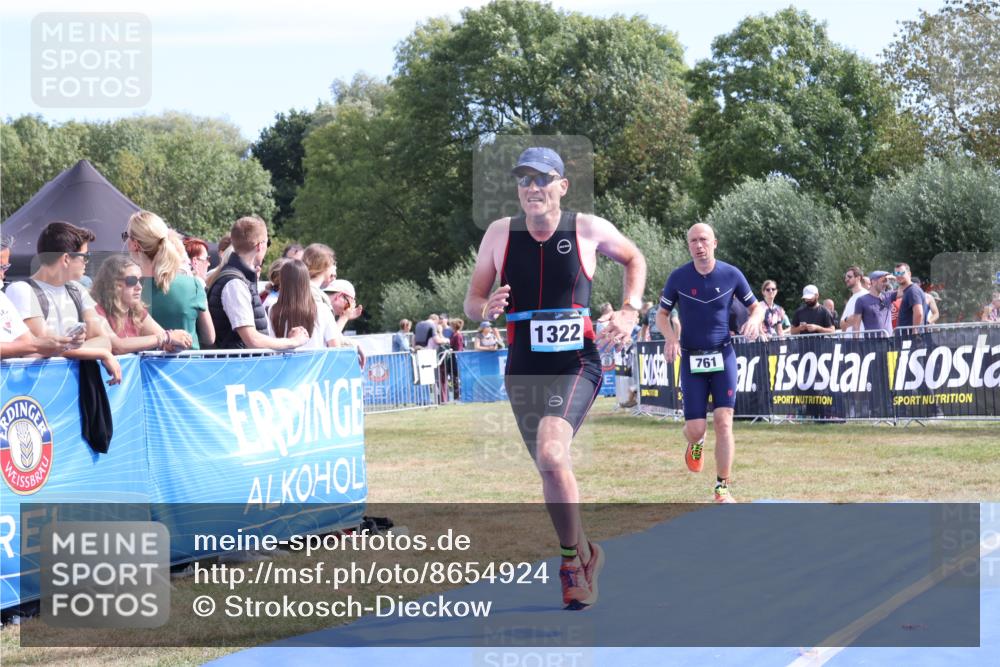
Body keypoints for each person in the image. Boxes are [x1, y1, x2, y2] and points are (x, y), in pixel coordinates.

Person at [465, 146, 646, 610]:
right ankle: (587, 553)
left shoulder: (586, 228)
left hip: (575, 364)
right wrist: (483, 311)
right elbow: (472, 300)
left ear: (562, 186)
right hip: (523, 365)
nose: (532, 188)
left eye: (541, 179)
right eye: (524, 180)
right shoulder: (499, 234)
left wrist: (629, 311)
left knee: (550, 451)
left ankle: (569, 564)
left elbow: (635, 259)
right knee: (552, 468)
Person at [656, 223, 764, 504]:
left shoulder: (731, 274)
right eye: (693, 241)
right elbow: (661, 315)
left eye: (703, 239)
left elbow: (756, 306)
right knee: (696, 429)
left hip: (723, 353)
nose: (698, 245)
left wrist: (754, 319)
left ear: (714, 242)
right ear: (688, 245)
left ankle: (722, 487)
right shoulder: (679, 277)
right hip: (691, 358)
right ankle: (696, 443)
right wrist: (670, 338)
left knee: (724, 420)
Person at [5, 222, 121, 382]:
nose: (86, 262)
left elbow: (104, 340)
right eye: (85, 256)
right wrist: (99, 352)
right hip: (37, 392)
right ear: (66, 258)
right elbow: (43, 346)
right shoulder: (21, 290)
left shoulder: (77, 290)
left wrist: (95, 349)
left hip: (75, 392)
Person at [206, 216, 308, 350]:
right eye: (268, 243)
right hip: (238, 368)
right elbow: (252, 339)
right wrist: (293, 342)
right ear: (260, 246)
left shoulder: (239, 279)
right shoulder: (235, 283)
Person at [125, 211, 215, 350]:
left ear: (135, 245)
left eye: (126, 236)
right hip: (188, 368)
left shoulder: (124, 289)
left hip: (142, 369)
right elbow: (209, 337)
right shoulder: (194, 285)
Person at [91, 255, 193, 354]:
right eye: (132, 281)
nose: (139, 287)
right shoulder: (96, 311)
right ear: (113, 284)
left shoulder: (136, 311)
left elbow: (166, 341)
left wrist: (179, 340)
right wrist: (166, 337)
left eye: (141, 280)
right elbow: (117, 346)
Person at [0, 235, 74, 358]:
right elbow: (31, 345)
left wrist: (64, 344)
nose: (2, 275)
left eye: (5, 267)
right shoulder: (19, 289)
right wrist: (37, 345)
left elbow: (27, 342)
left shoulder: (2, 299)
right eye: (0, 267)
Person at [268, 260, 339, 349]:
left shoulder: (274, 310)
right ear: (306, 281)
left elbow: (273, 344)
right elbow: (336, 347)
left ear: (282, 281)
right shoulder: (322, 309)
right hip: (317, 362)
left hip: (284, 363)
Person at [844, 270, 893, 335]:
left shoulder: (888, 296)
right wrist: (855, 343)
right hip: (872, 343)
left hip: (889, 342)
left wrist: (897, 278)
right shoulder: (861, 300)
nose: (886, 284)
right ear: (874, 282)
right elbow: (856, 326)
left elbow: (905, 290)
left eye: (887, 281)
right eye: (883, 281)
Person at [303, 243, 337, 310]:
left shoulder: (305, 287)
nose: (334, 267)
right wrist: (344, 317)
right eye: (333, 263)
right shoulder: (312, 292)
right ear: (325, 264)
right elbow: (320, 320)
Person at [893, 263, 926, 329]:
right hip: (906, 335)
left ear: (909, 274)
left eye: (901, 273)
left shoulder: (913, 290)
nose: (898, 276)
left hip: (910, 337)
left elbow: (919, 313)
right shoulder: (909, 290)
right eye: (896, 274)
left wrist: (915, 331)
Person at [841, 266, 866, 334]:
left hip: (862, 340)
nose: (846, 279)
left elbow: (857, 318)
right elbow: (842, 324)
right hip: (850, 341)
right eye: (845, 277)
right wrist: (848, 320)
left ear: (858, 278)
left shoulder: (866, 295)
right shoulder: (851, 299)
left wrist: (848, 321)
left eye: (849, 277)